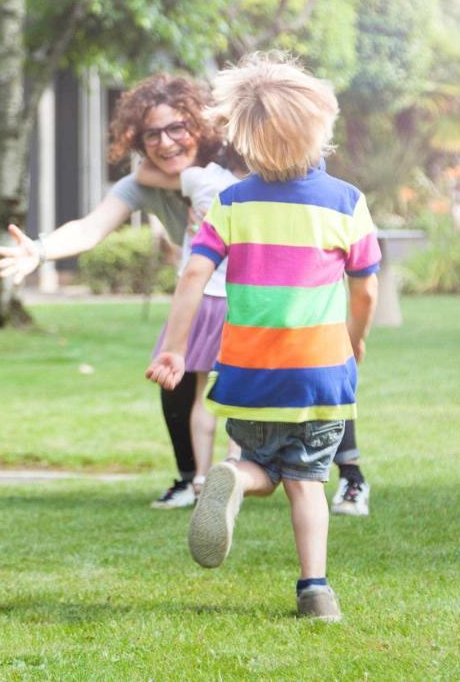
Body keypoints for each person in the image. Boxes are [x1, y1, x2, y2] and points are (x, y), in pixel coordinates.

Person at [146, 53, 379, 621]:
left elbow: (194, 276)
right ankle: (315, 590)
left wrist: (175, 348)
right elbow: (365, 289)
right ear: (319, 125)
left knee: (262, 465)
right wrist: (355, 338)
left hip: (248, 370)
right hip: (319, 371)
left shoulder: (230, 202)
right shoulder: (346, 202)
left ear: (243, 137)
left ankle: (234, 476)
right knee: (306, 480)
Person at [0, 74, 236, 508]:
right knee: (173, 377)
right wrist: (41, 249)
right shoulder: (142, 182)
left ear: (198, 126)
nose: (165, 143)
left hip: (258, 286)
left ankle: (348, 472)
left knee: (295, 369)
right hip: (203, 291)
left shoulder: (229, 167)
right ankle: (191, 480)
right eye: (151, 134)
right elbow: (91, 227)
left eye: (175, 128)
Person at [135, 145, 249, 492]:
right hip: (238, 299)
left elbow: (142, 174)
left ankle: (200, 477)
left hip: (198, 298)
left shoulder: (201, 179)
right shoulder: (259, 190)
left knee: (202, 392)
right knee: (236, 392)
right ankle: (233, 466)